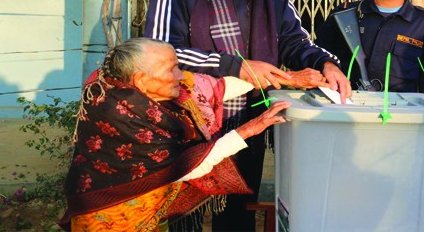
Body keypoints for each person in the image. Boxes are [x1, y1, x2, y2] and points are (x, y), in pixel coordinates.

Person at [144, 0, 352, 231]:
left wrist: (326, 63)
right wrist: (234, 66)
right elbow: (158, 53)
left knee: (239, 212)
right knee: (184, 214)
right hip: (189, 119)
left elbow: (294, 40)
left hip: (249, 118)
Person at [58, 38, 291, 231]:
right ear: (141, 80)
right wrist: (248, 129)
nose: (181, 75)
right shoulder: (118, 116)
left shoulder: (144, 88)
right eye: (172, 69)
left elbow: (213, 88)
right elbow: (183, 167)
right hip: (112, 218)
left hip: (151, 211)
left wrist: (285, 78)